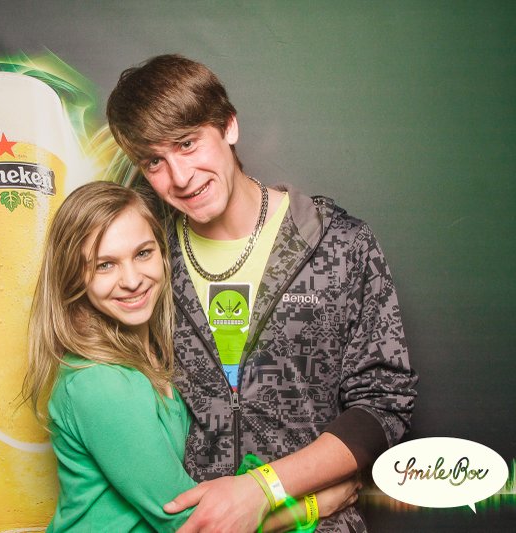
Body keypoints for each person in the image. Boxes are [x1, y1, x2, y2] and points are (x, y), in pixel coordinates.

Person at [106, 55, 418, 532]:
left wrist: (264, 488)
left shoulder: (338, 243)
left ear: (228, 126)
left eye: (188, 144)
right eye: (155, 162)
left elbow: (383, 403)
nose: (181, 177)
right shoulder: (146, 262)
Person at [24, 181, 359, 532]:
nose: (132, 280)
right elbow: (193, 523)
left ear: (163, 253)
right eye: (105, 265)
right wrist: (315, 504)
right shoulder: (99, 381)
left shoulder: (152, 356)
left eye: (143, 253)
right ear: (74, 276)